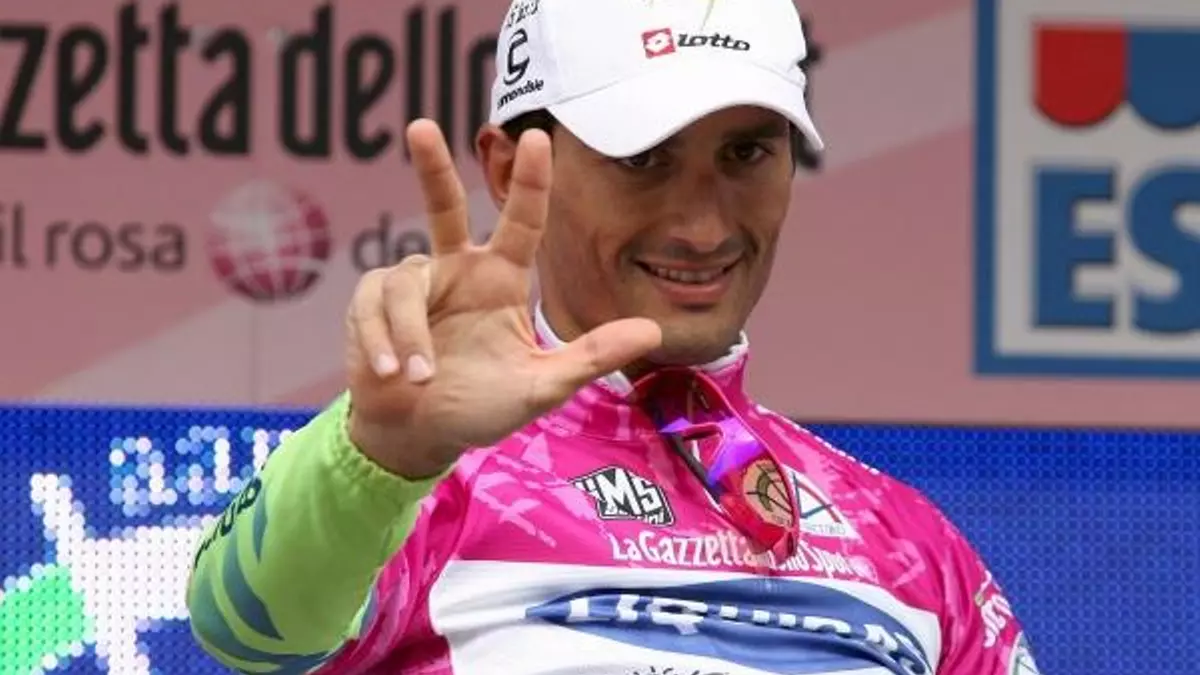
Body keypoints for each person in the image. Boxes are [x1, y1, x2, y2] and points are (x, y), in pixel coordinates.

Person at [186, 0, 1041, 673]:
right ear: (510, 167)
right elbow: (243, 628)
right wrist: (383, 453)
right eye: (644, 159)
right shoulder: (420, 482)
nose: (704, 227)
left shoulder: (907, 542)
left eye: (745, 154)